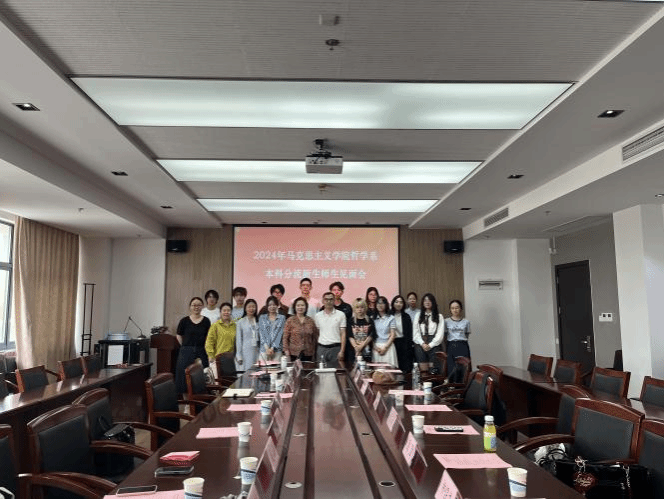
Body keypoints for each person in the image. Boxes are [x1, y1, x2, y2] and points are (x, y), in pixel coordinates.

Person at [174, 297, 210, 394]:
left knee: (201, 376)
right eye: (194, 305)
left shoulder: (206, 321)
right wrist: (185, 346)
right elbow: (178, 335)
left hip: (201, 350)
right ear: (190, 307)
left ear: (202, 307)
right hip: (186, 351)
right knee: (183, 377)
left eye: (199, 305)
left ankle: (199, 400)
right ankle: (185, 400)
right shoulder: (184, 321)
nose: (196, 307)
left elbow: (209, 336)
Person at [412, 293, 445, 373]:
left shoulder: (439, 316)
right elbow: (415, 333)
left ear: (433, 302)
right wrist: (422, 343)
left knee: (433, 370)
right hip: (420, 344)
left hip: (434, 344)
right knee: (423, 371)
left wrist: (430, 345)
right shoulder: (418, 315)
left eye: (429, 300)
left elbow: (440, 335)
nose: (427, 302)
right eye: (425, 300)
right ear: (422, 303)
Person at [315, 291, 347, 368]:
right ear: (323, 301)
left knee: (335, 372)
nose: (328, 301)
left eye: (331, 299)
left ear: (334, 300)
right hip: (321, 348)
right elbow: (317, 332)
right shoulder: (318, 316)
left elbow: (343, 333)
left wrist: (342, 351)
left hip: (335, 348)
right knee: (321, 371)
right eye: (326, 299)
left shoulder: (341, 315)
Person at [283, 297, 319, 361]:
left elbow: (315, 338)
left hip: (308, 353)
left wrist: (314, 352)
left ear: (306, 307)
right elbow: (285, 337)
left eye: (302, 305)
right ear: (294, 307)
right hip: (293, 353)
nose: (300, 307)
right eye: (298, 305)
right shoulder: (290, 320)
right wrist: (286, 352)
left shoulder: (310, 321)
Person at [444, 300, 471, 378]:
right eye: (452, 308)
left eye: (457, 308)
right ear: (450, 310)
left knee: (464, 368)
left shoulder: (466, 322)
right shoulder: (446, 321)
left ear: (461, 309)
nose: (455, 310)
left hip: (463, 345)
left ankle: (463, 385)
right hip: (451, 345)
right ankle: (452, 385)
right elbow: (445, 334)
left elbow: (467, 334)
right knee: (451, 367)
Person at [205, 302, 237, 368]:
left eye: (228, 310)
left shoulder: (235, 325)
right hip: (217, 358)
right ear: (220, 312)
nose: (226, 312)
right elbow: (209, 342)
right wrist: (211, 356)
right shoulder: (215, 325)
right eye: (224, 310)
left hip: (231, 358)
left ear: (231, 312)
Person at [329, 281, 354, 364]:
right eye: (334, 290)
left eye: (339, 290)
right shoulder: (325, 308)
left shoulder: (347, 307)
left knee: (345, 364)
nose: (336, 292)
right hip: (330, 341)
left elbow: (350, 325)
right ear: (330, 292)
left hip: (345, 340)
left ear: (342, 292)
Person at [258, 296, 286, 362]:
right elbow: (261, 334)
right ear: (267, 306)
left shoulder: (282, 318)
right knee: (263, 368)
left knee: (277, 368)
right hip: (264, 350)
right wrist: (267, 348)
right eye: (270, 305)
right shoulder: (262, 318)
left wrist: (272, 348)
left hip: (277, 350)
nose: (272, 307)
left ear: (277, 306)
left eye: (274, 305)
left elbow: (280, 334)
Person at [372, 296, 398, 366]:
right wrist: (375, 347)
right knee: (377, 370)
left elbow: (393, 335)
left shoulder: (391, 318)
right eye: (378, 303)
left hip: (388, 346)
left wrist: (385, 348)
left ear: (386, 305)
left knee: (390, 370)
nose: (380, 305)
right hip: (376, 347)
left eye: (382, 303)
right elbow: (371, 335)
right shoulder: (372, 318)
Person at [348, 298, 375, 363]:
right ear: (354, 308)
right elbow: (350, 336)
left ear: (365, 308)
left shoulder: (369, 320)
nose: (359, 309)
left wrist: (362, 346)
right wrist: (356, 347)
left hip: (366, 350)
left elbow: (371, 335)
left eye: (362, 307)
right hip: (354, 351)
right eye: (357, 307)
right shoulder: (351, 321)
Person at [391, 294, 414, 373]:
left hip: (404, 342)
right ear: (393, 303)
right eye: (396, 302)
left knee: (404, 366)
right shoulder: (389, 315)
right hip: (392, 342)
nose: (399, 304)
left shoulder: (406, 316)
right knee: (394, 365)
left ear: (403, 304)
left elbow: (410, 333)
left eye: (401, 302)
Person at [235, 298, 259, 370]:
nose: (251, 309)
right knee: (247, 371)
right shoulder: (241, 322)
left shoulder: (258, 320)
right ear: (245, 308)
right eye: (249, 307)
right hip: (245, 351)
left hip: (257, 350)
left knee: (257, 371)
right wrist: (239, 355)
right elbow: (238, 340)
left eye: (253, 307)